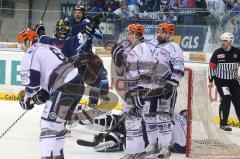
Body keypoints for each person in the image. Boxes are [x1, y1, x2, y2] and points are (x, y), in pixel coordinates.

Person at [17, 28, 73, 159]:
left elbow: (32, 84)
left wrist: (27, 100)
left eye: (21, 42)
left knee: (47, 124)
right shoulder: (47, 47)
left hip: (63, 87)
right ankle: (58, 156)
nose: (20, 46)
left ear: (28, 41)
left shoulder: (31, 52)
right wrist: (38, 95)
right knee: (58, 123)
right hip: (76, 85)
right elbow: (44, 84)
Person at [112, 24, 154, 159]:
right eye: (127, 33)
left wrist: (139, 90)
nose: (127, 36)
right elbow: (121, 72)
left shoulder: (144, 48)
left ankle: (137, 151)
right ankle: (132, 151)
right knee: (130, 121)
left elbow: (146, 72)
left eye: (130, 33)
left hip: (139, 89)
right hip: (130, 89)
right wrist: (117, 61)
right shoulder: (129, 49)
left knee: (135, 120)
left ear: (137, 34)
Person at [145, 22, 184, 159]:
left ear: (170, 34)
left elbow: (179, 67)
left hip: (165, 87)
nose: (159, 34)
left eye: (162, 32)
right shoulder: (152, 45)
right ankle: (152, 144)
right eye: (158, 32)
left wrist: (172, 82)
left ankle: (165, 147)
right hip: (150, 87)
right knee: (148, 117)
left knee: (163, 117)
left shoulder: (174, 47)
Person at [208, 32, 240, 131]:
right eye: (221, 40)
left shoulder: (237, 52)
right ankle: (223, 124)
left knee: (238, 101)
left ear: (230, 41)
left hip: (233, 81)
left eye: (225, 41)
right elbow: (211, 68)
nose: (222, 42)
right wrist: (210, 81)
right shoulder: (217, 52)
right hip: (221, 81)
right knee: (226, 98)